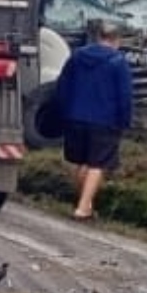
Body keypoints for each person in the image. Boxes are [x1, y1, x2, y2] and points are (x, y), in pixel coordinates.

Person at [56, 20, 134, 220]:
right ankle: (82, 208)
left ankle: (87, 204)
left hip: (75, 117)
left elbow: (62, 86)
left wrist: (64, 113)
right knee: (97, 164)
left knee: (82, 162)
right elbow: (124, 96)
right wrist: (124, 121)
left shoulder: (77, 56)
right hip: (104, 120)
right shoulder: (118, 62)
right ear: (117, 40)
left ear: (98, 36)